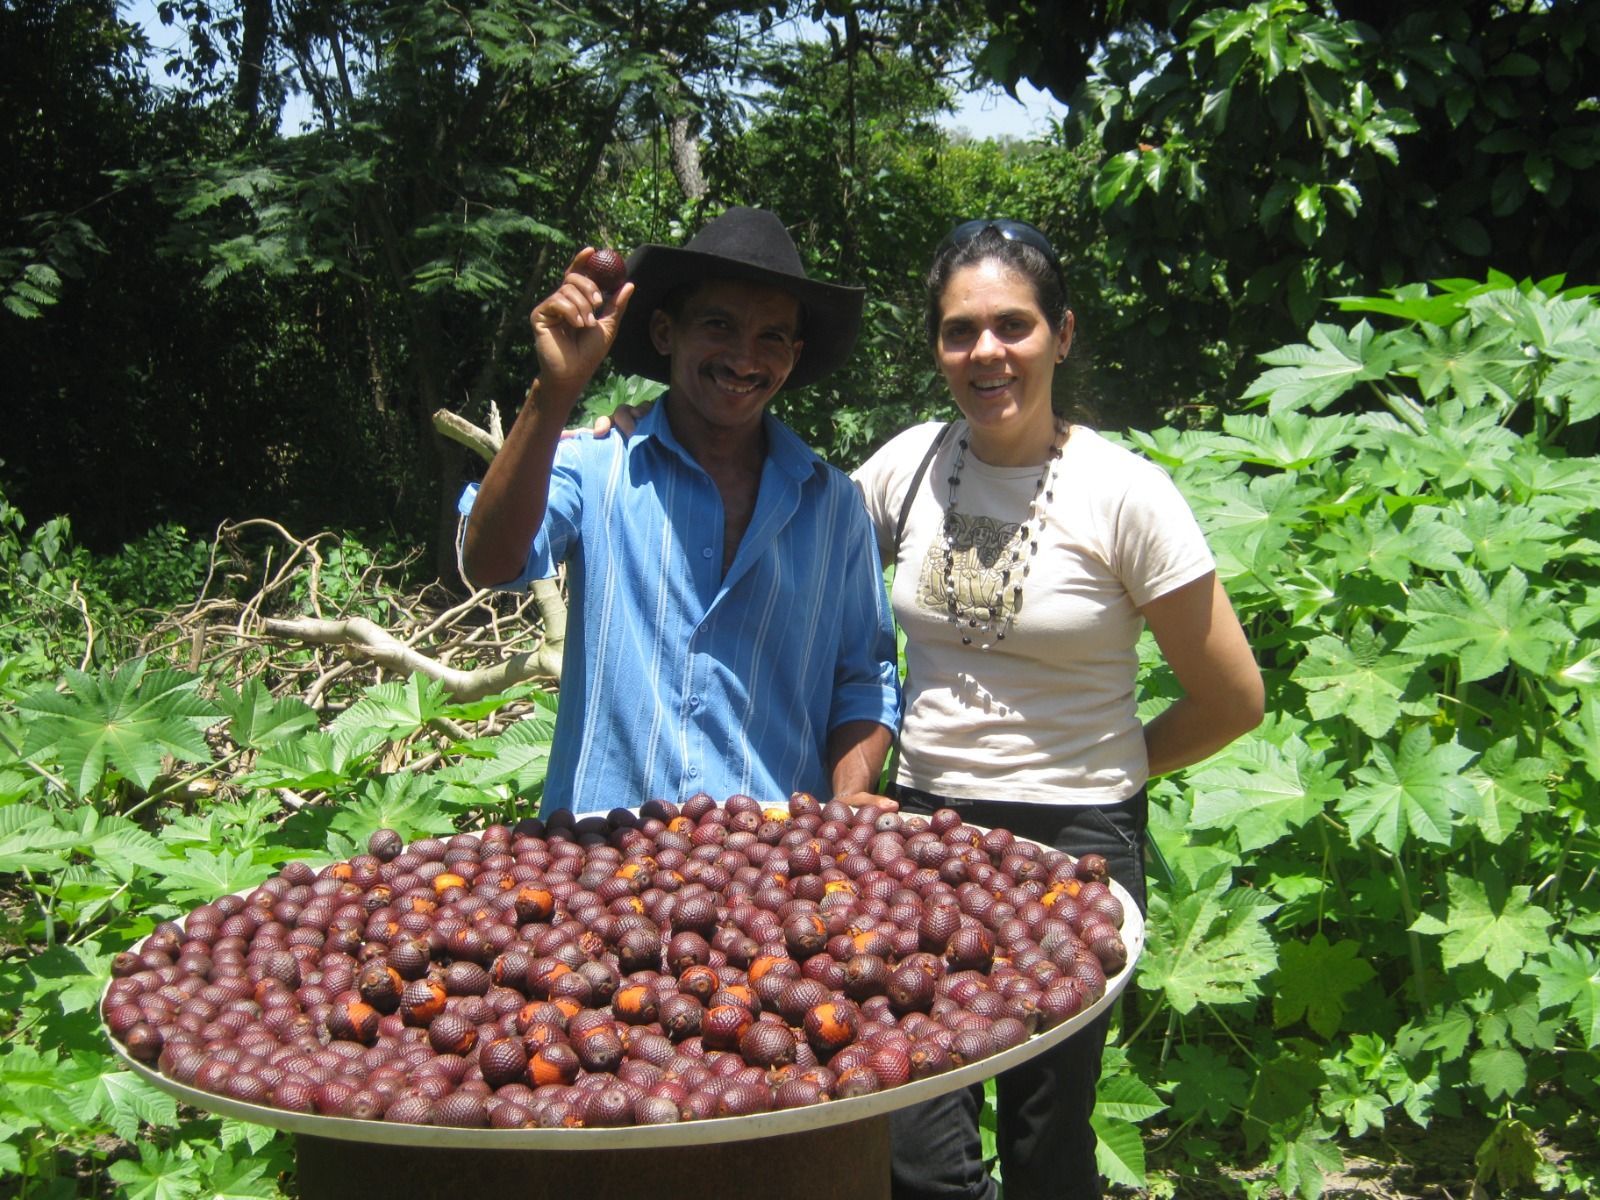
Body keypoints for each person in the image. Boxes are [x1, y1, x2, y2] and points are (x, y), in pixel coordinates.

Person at [849, 220, 1265, 1200]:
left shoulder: (1126, 496)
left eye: (1011, 325)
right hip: (925, 834)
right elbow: (811, 573)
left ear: (1061, 334)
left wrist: (1105, 774)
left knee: (1044, 1134)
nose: (984, 352)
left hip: (1073, 845)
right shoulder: (906, 466)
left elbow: (1231, 697)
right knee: (913, 1136)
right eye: (958, 331)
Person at [458, 206, 900, 817]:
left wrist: (848, 799)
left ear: (794, 355)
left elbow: (864, 680)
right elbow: (489, 561)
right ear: (666, 333)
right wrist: (553, 392)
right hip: (601, 863)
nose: (745, 358)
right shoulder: (598, 466)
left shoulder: (834, 509)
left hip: (773, 874)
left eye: (771, 336)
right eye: (719, 324)